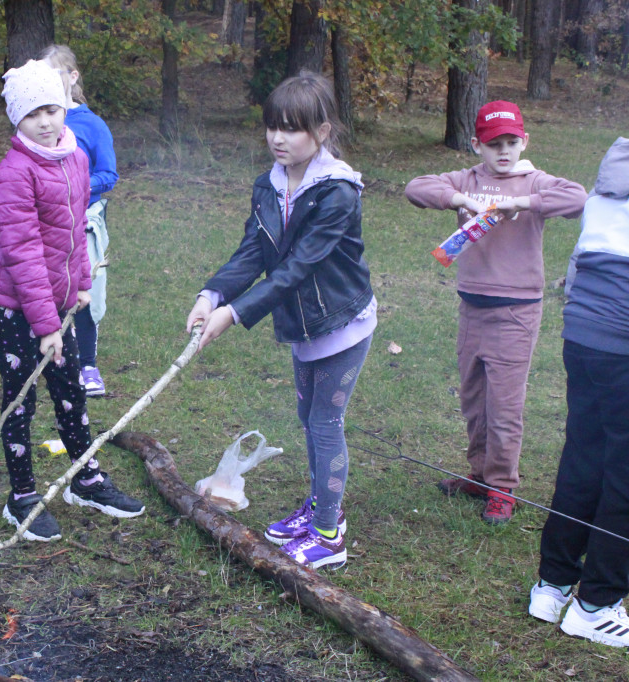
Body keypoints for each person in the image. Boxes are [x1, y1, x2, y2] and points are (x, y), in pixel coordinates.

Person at [186, 72, 375, 570]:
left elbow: (296, 268)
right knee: (308, 420)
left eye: (292, 128)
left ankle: (330, 535)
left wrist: (235, 313)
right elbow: (253, 253)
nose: (277, 138)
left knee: (324, 421)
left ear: (322, 131)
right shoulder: (268, 186)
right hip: (303, 325)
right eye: (272, 126)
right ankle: (320, 506)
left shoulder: (337, 193)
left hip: (340, 322)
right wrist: (213, 295)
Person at [0, 59, 144, 542]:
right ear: (18, 119)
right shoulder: (15, 174)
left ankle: (85, 479)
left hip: (59, 305)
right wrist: (46, 325)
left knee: (70, 390)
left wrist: (82, 283)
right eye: (33, 114)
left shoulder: (73, 157)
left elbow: (75, 232)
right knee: (22, 399)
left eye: (52, 109)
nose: (46, 121)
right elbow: (26, 256)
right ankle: (23, 496)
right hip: (16, 306)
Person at [405, 101, 587, 525]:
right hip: (473, 304)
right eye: (493, 144)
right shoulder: (468, 178)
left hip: (517, 310)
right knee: (474, 398)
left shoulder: (535, 180)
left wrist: (522, 202)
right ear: (477, 145)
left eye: (511, 143)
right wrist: (458, 198)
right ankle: (479, 474)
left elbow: (577, 198)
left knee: (504, 404)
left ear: (524, 142)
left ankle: (503, 486)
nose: (503, 152)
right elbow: (416, 187)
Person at [528, 137, 629, 647]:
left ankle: (553, 584)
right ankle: (596, 604)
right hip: (624, 342)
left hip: (582, 335)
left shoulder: (613, 179)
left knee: (584, 456)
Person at [38, 44, 119, 397]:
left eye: (55, 75)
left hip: (84, 219)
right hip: (45, 220)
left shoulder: (92, 124)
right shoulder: (37, 120)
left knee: (84, 289)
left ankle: (87, 364)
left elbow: (109, 175)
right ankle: (51, 354)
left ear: (73, 77)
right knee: (46, 286)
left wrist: (76, 186)